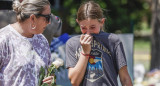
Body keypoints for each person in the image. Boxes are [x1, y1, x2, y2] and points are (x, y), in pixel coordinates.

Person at [66, 1, 133, 86]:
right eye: (83, 28)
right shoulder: (72, 43)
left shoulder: (112, 41)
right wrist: (85, 52)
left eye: (92, 27)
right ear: (78, 22)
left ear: (102, 22)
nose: (88, 33)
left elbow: (125, 78)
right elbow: (74, 82)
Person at [0, 0, 54, 85]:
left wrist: (50, 81)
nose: (49, 22)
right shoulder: (3, 39)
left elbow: (49, 73)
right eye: (47, 18)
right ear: (32, 18)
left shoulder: (42, 41)